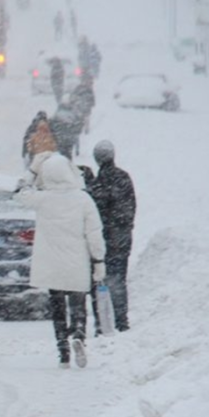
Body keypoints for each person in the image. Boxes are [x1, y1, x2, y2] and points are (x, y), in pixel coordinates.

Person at [17, 154, 106, 367]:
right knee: (78, 303)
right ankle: (78, 334)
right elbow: (94, 233)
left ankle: (63, 351)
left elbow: (18, 193)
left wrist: (32, 171)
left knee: (57, 305)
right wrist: (99, 260)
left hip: (51, 264)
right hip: (77, 263)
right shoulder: (83, 199)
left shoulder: (42, 199)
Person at [83, 141, 136, 333]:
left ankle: (102, 323)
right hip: (122, 241)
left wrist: (90, 185)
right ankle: (121, 321)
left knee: (99, 280)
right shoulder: (123, 178)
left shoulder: (99, 182)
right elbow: (127, 211)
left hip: (104, 241)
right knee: (118, 280)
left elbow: (98, 208)